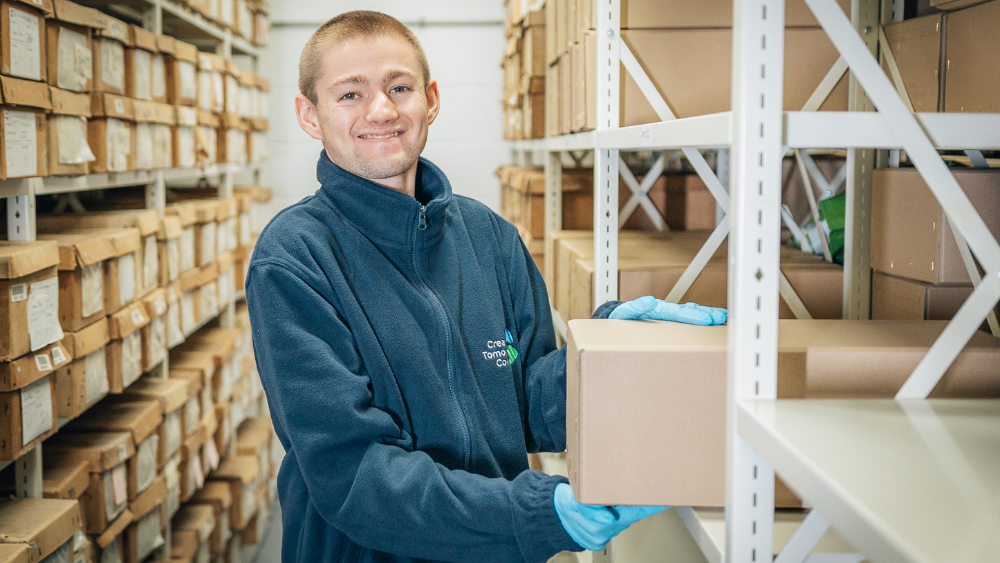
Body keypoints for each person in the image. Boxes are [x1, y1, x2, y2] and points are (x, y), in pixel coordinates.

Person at [245, 10, 727, 563]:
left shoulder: (489, 235)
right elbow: (353, 474)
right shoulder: (293, 259)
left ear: (431, 99)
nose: (381, 109)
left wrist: (611, 353)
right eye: (349, 94)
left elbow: (524, 403)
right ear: (310, 115)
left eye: (399, 87)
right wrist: (530, 516)